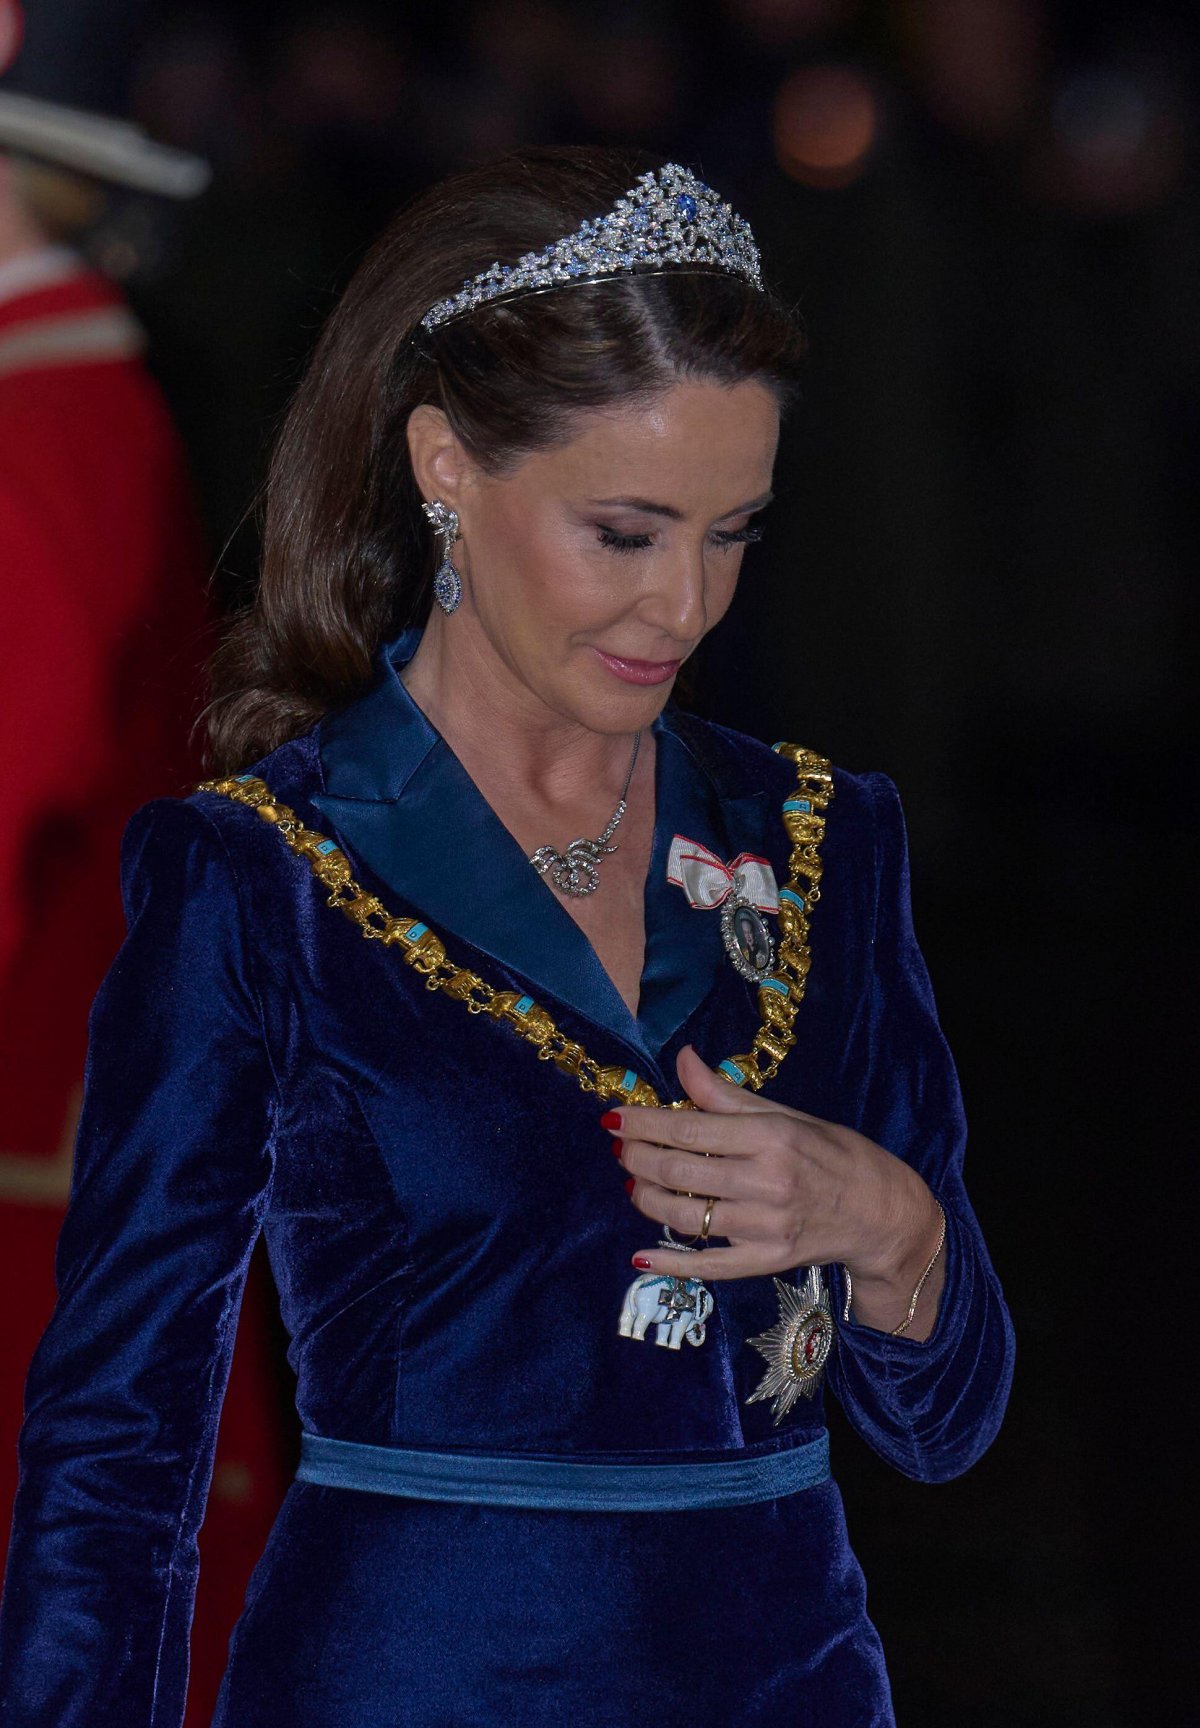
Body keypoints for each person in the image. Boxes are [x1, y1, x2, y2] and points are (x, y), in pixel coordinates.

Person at [0, 146, 1014, 1727]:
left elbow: (946, 1422)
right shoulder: (262, 875)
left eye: (732, 532)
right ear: (446, 465)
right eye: (624, 533)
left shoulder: (823, 837)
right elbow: (119, 1442)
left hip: (795, 1680)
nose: (683, 605)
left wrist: (890, 1227)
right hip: (416, 1683)